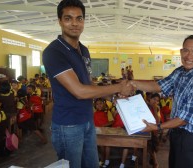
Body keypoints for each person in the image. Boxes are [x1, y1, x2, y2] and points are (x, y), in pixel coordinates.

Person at [42, 0, 133, 167]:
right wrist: (119, 87)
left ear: (84, 21)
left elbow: (88, 83)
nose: (75, 23)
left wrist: (112, 96)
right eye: (68, 18)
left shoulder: (83, 50)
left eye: (79, 18)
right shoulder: (53, 52)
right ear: (60, 21)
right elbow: (79, 91)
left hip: (87, 119)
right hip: (68, 124)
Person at [130, 35, 193, 168]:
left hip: (191, 139)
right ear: (181, 52)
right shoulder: (180, 72)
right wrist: (132, 84)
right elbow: (159, 86)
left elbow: (184, 119)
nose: (189, 56)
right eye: (186, 50)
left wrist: (157, 127)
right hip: (176, 133)